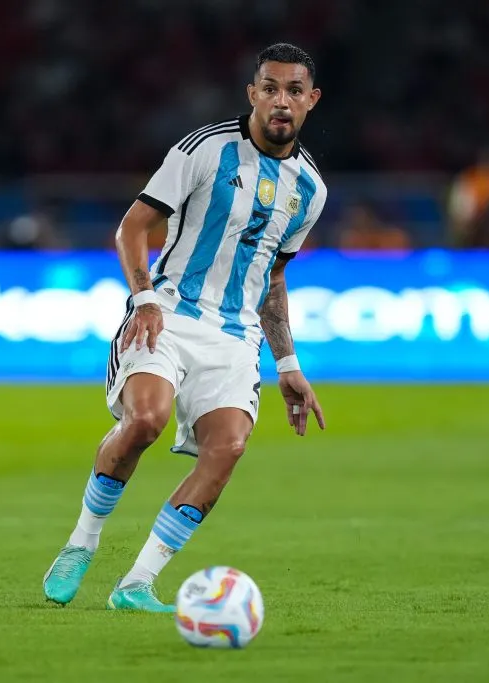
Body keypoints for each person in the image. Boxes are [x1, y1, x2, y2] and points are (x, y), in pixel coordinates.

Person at [43, 43, 328, 612]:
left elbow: (272, 278)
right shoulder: (203, 149)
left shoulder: (311, 191)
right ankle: (82, 542)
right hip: (169, 315)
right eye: (270, 88)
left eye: (294, 91)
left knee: (229, 447)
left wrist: (288, 363)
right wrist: (144, 300)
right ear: (252, 94)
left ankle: (137, 582)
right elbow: (132, 229)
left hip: (236, 337)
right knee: (145, 420)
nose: (281, 101)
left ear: (311, 100)